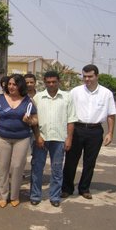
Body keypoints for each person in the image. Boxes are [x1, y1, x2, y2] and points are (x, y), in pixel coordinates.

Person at [62, 64, 116, 199]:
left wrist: (110, 133)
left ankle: (84, 188)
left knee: (90, 162)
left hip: (95, 131)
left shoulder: (106, 94)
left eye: (90, 76)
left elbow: (111, 114)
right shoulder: (75, 92)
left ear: (96, 76)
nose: (87, 79)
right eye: (84, 76)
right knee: (70, 161)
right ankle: (67, 188)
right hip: (77, 129)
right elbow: (67, 112)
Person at [0, 74, 37, 208]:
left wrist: (29, 120)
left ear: (21, 86)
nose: (11, 87)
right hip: (3, 137)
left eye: (15, 84)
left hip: (22, 138)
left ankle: (14, 195)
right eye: (9, 84)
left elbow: (36, 120)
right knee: (2, 167)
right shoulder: (0, 99)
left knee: (17, 166)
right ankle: (2, 195)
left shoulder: (28, 101)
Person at [30, 71, 77, 207]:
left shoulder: (67, 97)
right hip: (41, 139)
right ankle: (35, 195)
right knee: (37, 168)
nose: (51, 84)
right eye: (48, 82)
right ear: (44, 82)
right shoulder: (38, 98)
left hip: (59, 139)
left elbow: (71, 120)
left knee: (57, 170)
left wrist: (69, 139)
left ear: (58, 82)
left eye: (54, 82)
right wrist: (38, 136)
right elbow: (34, 120)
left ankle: (55, 196)